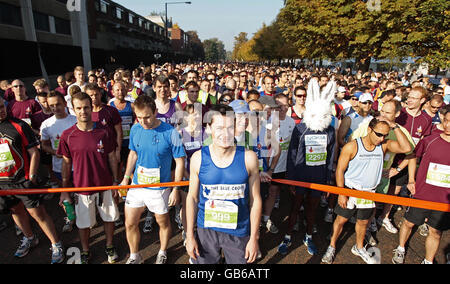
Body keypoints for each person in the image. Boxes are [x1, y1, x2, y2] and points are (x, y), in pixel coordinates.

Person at [322, 117, 412, 264]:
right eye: (378, 134)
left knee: (363, 222)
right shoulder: (351, 146)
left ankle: (359, 247)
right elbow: (340, 170)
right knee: (341, 220)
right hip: (351, 190)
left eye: (385, 135)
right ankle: (332, 245)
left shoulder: (383, 145)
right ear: (369, 129)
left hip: (369, 192)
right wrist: (342, 193)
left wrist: (394, 126)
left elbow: (407, 148)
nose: (381, 138)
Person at [185, 104, 262, 264]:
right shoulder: (198, 159)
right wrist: (190, 236)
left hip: (238, 231)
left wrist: (254, 238)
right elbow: (192, 198)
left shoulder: (249, 158)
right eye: (219, 128)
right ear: (208, 128)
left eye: (229, 127)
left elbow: (255, 200)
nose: (225, 134)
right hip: (206, 231)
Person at [121, 95, 185, 264]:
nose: (143, 121)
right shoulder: (135, 129)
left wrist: (176, 189)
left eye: (147, 117)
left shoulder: (170, 133)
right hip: (137, 185)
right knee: (130, 223)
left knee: (162, 222)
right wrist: (126, 178)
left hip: (159, 188)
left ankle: (163, 251)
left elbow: (180, 162)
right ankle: (134, 255)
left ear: (155, 112)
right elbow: (133, 154)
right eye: (139, 117)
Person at [57, 92, 120, 264]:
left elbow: (112, 157)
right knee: (83, 224)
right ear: (73, 110)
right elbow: (66, 164)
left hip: (105, 185)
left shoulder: (104, 131)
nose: (83, 111)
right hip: (82, 187)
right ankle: (85, 250)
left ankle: (109, 245)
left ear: (91, 108)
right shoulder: (67, 135)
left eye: (86, 107)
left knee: (109, 218)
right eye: (79, 108)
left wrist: (116, 182)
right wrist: (64, 191)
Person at [0, 97, 64, 264]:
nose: (1, 110)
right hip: (3, 182)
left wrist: (32, 176)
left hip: (23, 179)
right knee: (16, 211)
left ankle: (56, 243)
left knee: (38, 213)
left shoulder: (19, 125)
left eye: (2, 106)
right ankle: (30, 237)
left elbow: (34, 152)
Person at [278, 79, 337, 256]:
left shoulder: (330, 131)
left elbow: (330, 157)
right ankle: (287, 237)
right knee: (295, 208)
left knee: (313, 210)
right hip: (300, 177)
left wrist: (327, 181)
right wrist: (291, 180)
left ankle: (309, 236)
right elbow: (292, 156)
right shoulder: (300, 128)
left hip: (318, 178)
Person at [392, 109, 450, 264]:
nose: (448, 125)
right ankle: (401, 248)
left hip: (444, 200)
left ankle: (428, 260)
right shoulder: (430, 140)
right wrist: (411, 180)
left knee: (435, 232)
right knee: (408, 223)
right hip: (422, 194)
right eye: (446, 120)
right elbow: (412, 156)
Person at [40, 91, 77, 232]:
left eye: (58, 104)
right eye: (52, 105)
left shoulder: (75, 120)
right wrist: (56, 153)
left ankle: (85, 216)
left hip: (78, 166)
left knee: (81, 193)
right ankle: (71, 218)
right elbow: (44, 145)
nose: (56, 108)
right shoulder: (46, 124)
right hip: (59, 166)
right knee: (65, 193)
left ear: (65, 104)